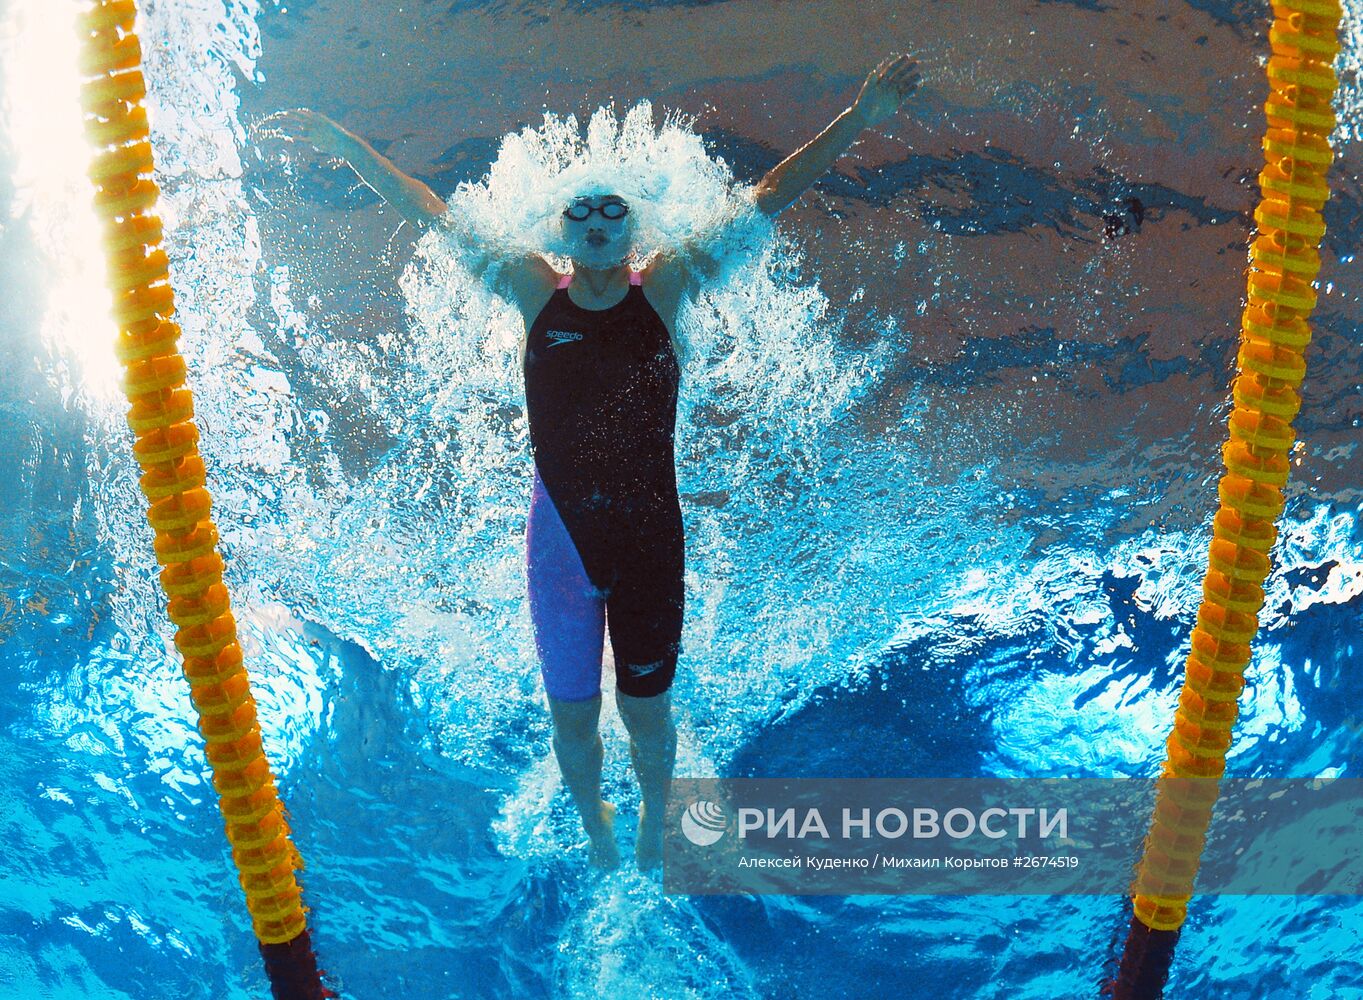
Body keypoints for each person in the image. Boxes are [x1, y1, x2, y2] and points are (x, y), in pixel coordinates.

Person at [263, 53, 922, 871]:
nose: (600, 222)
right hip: (561, 545)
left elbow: (767, 197)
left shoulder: (668, 288)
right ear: (561, 229)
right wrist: (345, 145)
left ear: (633, 227)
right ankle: (592, 817)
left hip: (649, 540)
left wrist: (859, 118)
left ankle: (652, 810)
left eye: (615, 211)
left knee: (646, 715)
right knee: (571, 718)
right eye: (583, 212)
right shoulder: (531, 289)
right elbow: (429, 211)